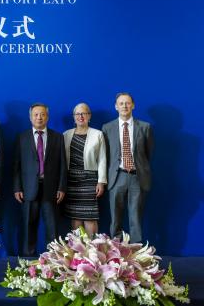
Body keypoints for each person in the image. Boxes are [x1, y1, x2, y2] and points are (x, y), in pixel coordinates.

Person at [13, 103, 66, 256]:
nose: (39, 117)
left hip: (51, 189)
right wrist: (17, 188)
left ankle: (54, 261)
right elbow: (16, 165)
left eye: (42, 114)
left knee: (52, 227)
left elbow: (63, 164)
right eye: (36, 114)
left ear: (47, 117)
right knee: (29, 226)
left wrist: (62, 187)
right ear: (30, 117)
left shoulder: (57, 137)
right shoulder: (22, 138)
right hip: (28, 189)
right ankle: (28, 260)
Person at [102, 92, 153, 243]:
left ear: (133, 105)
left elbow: (148, 153)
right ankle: (115, 252)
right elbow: (106, 155)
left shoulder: (145, 127)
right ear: (116, 107)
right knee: (115, 218)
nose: (124, 106)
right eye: (121, 103)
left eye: (127, 103)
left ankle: (137, 253)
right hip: (116, 177)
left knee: (135, 217)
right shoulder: (107, 128)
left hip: (137, 177)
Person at [63, 103, 106, 237]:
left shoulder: (98, 134)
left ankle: (92, 252)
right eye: (78, 114)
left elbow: (102, 159)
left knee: (90, 216)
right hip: (71, 180)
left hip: (90, 180)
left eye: (84, 113)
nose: (81, 116)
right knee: (75, 216)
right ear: (74, 117)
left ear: (89, 116)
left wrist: (101, 182)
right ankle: (78, 253)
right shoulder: (65, 135)